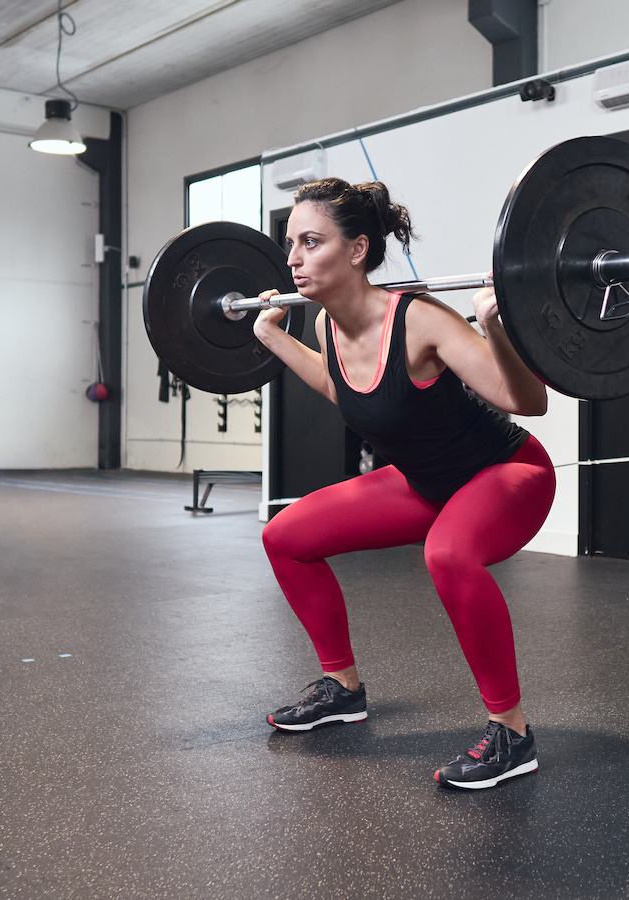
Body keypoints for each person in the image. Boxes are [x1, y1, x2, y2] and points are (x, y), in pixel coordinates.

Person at [252, 178, 556, 790]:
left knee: (447, 554)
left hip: (506, 472)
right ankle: (342, 688)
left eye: (311, 243)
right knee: (285, 536)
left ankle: (512, 734)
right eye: (291, 244)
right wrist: (270, 336)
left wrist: (496, 327)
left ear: (358, 250)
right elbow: (347, 392)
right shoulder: (324, 327)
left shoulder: (420, 320)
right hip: (424, 484)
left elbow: (529, 400)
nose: (293, 259)